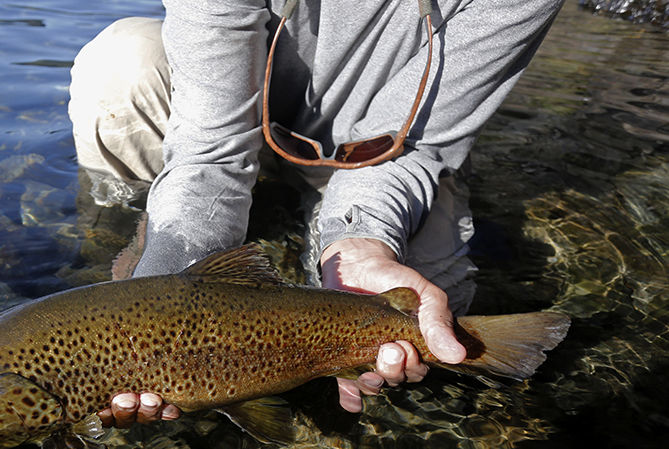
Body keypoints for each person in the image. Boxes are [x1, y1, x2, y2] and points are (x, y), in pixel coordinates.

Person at [67, 0, 563, 424]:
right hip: (235, 118)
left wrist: (362, 241)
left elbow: (418, 142)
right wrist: (165, 285)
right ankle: (134, 214)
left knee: (433, 315)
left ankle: (313, 242)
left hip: (391, 155)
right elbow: (209, 150)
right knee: (121, 64)